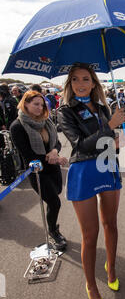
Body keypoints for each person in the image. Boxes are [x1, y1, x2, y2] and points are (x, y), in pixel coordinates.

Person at [57, 62, 125, 299]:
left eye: (86, 79)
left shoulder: (101, 108)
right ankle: (90, 286)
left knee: (111, 224)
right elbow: (80, 145)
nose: (81, 84)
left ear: (94, 83)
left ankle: (112, 267)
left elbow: (110, 142)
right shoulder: (65, 111)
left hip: (107, 165)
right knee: (90, 234)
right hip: (84, 170)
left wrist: (118, 133)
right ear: (70, 84)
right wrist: (110, 126)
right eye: (75, 80)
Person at [10, 90, 68, 250]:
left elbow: (56, 143)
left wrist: (55, 152)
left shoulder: (46, 121)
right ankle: (54, 231)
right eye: (35, 104)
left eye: (42, 105)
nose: (39, 108)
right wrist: (53, 157)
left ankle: (52, 228)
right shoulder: (17, 126)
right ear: (25, 103)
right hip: (37, 172)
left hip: (53, 169)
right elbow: (27, 155)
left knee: (54, 195)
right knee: (54, 202)